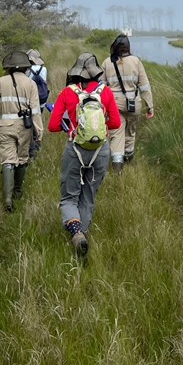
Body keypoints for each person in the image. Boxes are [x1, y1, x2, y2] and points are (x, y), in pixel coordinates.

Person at [47, 52, 120, 257]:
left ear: (75, 73)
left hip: (75, 150)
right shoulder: (105, 92)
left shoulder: (66, 93)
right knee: (88, 195)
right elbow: (115, 123)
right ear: (96, 73)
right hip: (101, 150)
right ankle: (83, 232)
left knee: (69, 197)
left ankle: (76, 233)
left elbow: (52, 126)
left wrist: (68, 126)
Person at [0, 50, 43, 212]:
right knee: (22, 158)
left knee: (7, 160)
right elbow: (36, 110)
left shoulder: (0, 81)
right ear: (26, 67)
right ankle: (18, 191)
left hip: (5, 125)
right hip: (24, 127)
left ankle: (7, 199)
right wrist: (39, 131)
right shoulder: (30, 83)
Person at [101, 33, 154, 173]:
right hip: (133, 104)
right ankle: (129, 161)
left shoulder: (107, 62)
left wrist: (101, 106)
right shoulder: (136, 61)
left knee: (116, 135)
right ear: (128, 47)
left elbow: (101, 87)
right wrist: (150, 106)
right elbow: (144, 86)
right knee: (130, 133)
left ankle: (117, 170)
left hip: (114, 104)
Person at [25, 48, 49, 159]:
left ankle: (30, 149)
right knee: (37, 122)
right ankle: (37, 143)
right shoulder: (44, 69)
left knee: (28, 124)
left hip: (30, 101)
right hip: (41, 101)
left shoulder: (27, 70)